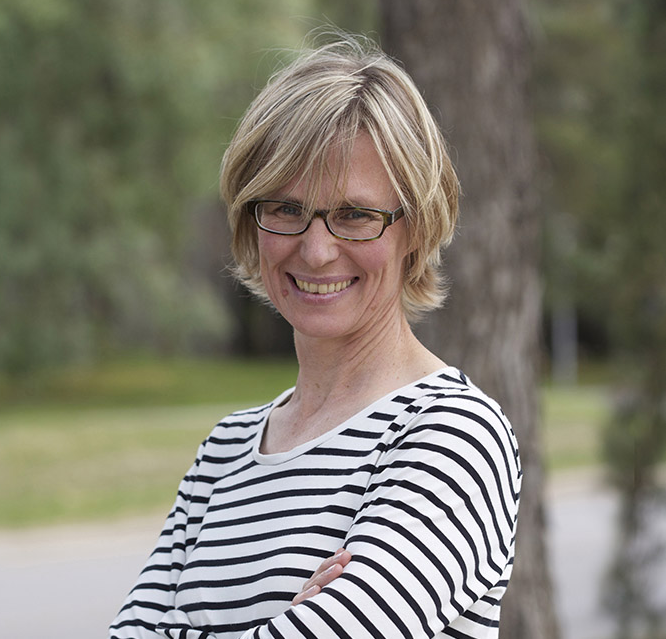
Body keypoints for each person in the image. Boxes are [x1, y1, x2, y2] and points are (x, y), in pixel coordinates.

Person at [110, 33, 521, 639]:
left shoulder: (454, 436)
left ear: (416, 226)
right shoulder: (224, 452)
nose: (317, 248)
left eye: (355, 215)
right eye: (285, 208)